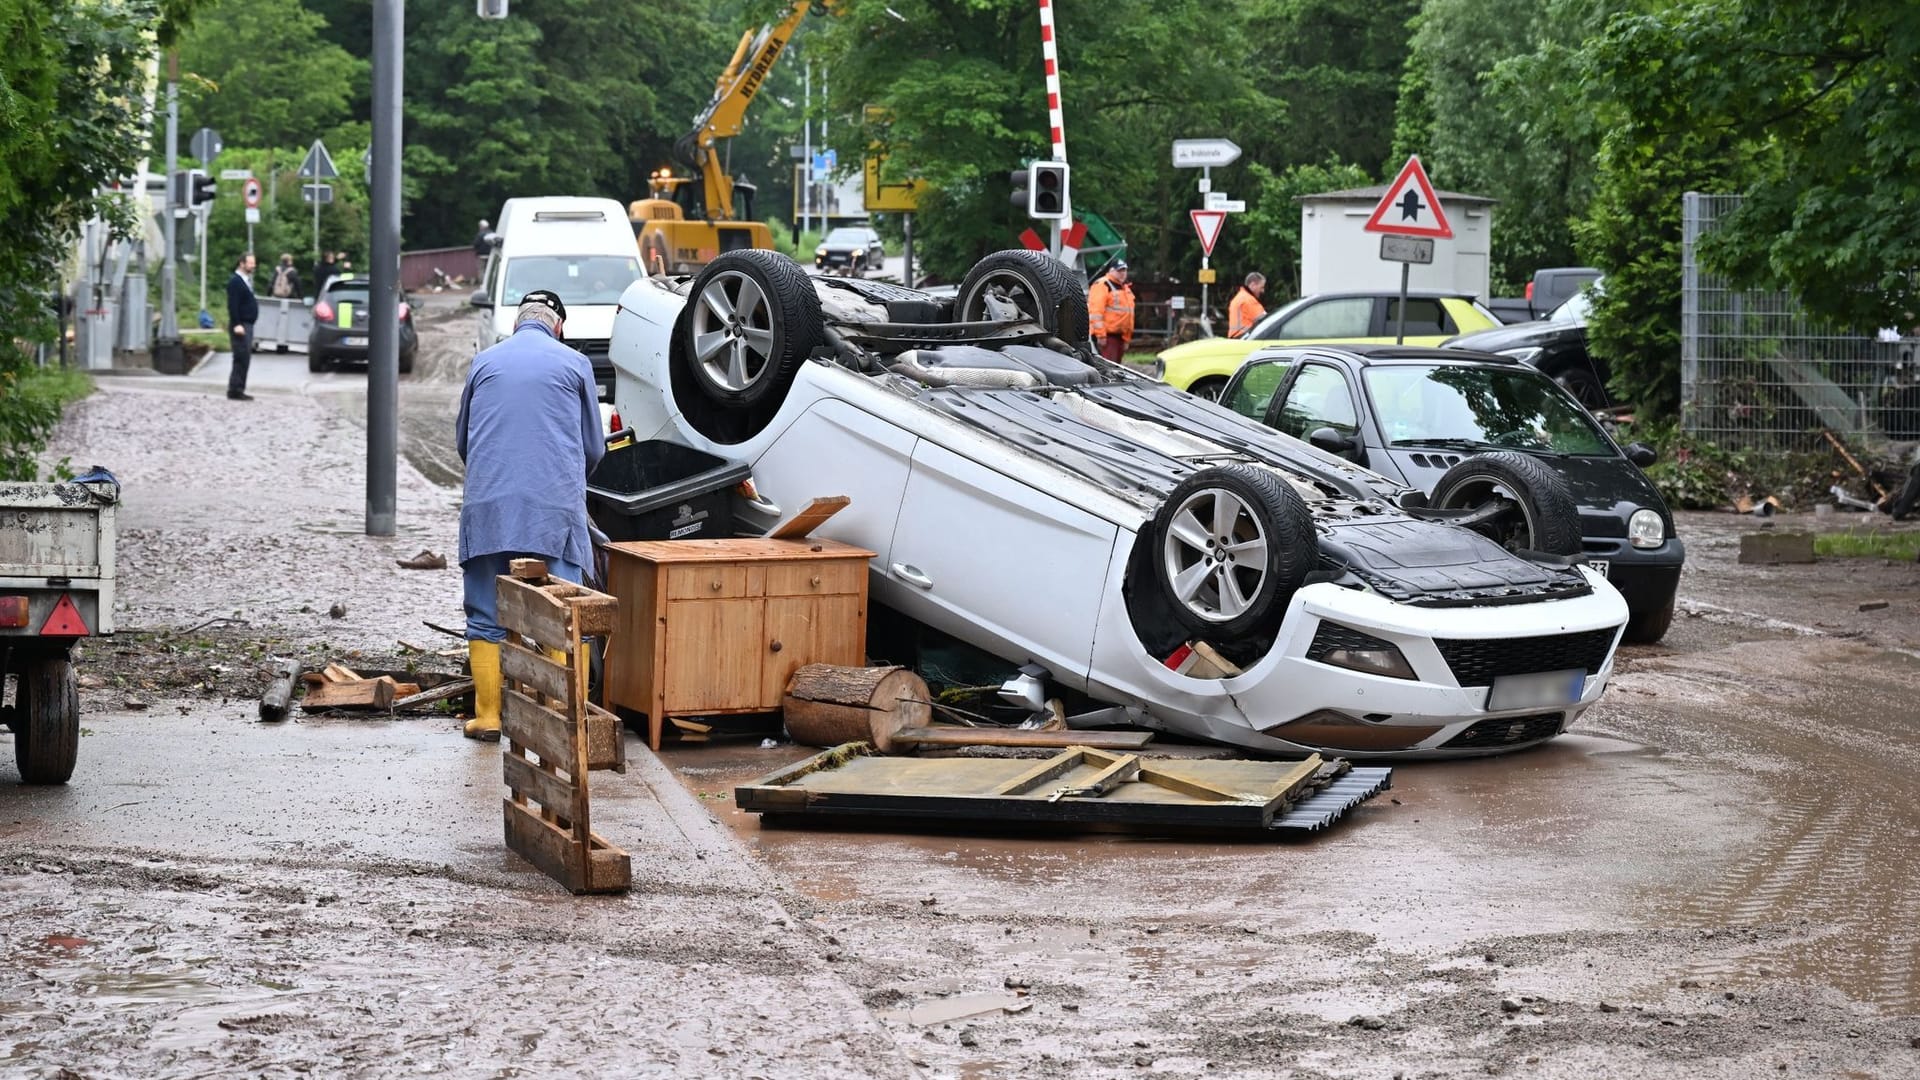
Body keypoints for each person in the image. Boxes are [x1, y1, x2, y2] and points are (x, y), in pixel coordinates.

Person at [454, 289, 604, 741]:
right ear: (559, 326)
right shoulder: (575, 364)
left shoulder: (484, 362)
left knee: (484, 612)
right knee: (563, 613)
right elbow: (593, 448)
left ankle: (488, 718)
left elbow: (464, 442)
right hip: (553, 511)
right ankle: (560, 715)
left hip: (488, 508)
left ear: (518, 322)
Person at [224, 252, 259, 401]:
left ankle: (239, 388)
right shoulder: (236, 282)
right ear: (242, 263)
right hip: (241, 325)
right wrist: (237, 324)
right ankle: (235, 389)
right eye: (250, 263)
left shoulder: (245, 281)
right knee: (241, 356)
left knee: (244, 357)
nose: (253, 266)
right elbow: (233, 305)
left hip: (247, 323)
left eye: (253, 263)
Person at [1088, 258, 1135, 363]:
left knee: (1116, 369)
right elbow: (1096, 313)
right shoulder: (1102, 285)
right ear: (1111, 271)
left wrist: (1127, 339)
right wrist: (1101, 336)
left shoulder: (1125, 288)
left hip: (1120, 337)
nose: (1123, 273)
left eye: (1124, 270)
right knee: (1109, 369)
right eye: (1119, 271)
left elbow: (1129, 315)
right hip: (1108, 337)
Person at [1228, 271, 1267, 339]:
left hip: (1235, 338)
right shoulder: (1249, 300)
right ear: (1253, 285)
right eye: (1261, 287)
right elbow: (1266, 321)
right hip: (1245, 337)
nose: (1263, 291)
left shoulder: (1238, 297)